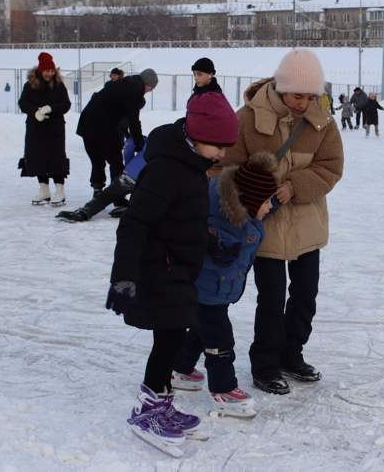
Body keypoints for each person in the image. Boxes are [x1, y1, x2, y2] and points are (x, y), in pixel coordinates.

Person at [105, 91, 239, 455]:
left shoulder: (192, 165)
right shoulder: (166, 170)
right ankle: (147, 410)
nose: (224, 154)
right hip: (157, 269)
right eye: (219, 146)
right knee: (168, 342)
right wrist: (123, 277)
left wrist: (211, 242)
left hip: (178, 267)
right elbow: (133, 224)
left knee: (174, 336)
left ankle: (161, 402)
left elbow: (186, 218)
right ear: (197, 137)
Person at [218, 49, 343, 395]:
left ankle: (292, 353)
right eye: (297, 95)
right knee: (271, 298)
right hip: (265, 227)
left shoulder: (323, 122)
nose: (304, 103)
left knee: (306, 295)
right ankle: (266, 363)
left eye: (310, 96)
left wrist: (295, 186)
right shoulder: (247, 118)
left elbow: (331, 167)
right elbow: (224, 168)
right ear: (280, 87)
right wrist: (256, 191)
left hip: (307, 223)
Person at [171, 152, 279, 418]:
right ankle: (224, 389)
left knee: (199, 330)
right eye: (266, 202)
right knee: (219, 339)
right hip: (208, 288)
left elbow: (256, 204)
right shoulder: (221, 223)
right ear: (250, 201)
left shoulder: (243, 209)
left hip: (214, 289)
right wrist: (217, 248)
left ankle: (179, 368)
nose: (269, 207)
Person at [76, 68, 158, 197]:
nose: (148, 92)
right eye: (150, 89)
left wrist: (130, 136)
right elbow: (133, 120)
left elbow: (122, 115)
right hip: (103, 125)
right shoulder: (135, 90)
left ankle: (97, 191)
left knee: (97, 160)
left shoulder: (125, 83)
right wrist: (139, 144)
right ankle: (117, 196)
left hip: (86, 123)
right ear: (148, 85)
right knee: (115, 161)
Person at [18, 52, 72, 206]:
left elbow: (66, 104)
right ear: (40, 71)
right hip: (35, 128)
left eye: (52, 71)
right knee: (37, 156)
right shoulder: (30, 85)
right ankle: (44, 189)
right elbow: (23, 103)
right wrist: (35, 112)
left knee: (56, 157)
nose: (49, 73)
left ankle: (60, 189)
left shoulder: (59, 86)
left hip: (55, 129)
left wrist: (50, 109)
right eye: (47, 71)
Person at [56, 136, 146, 222]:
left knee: (107, 195)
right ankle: (134, 209)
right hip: (150, 181)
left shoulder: (153, 138)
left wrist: (130, 165)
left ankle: (84, 212)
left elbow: (130, 144)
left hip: (131, 174)